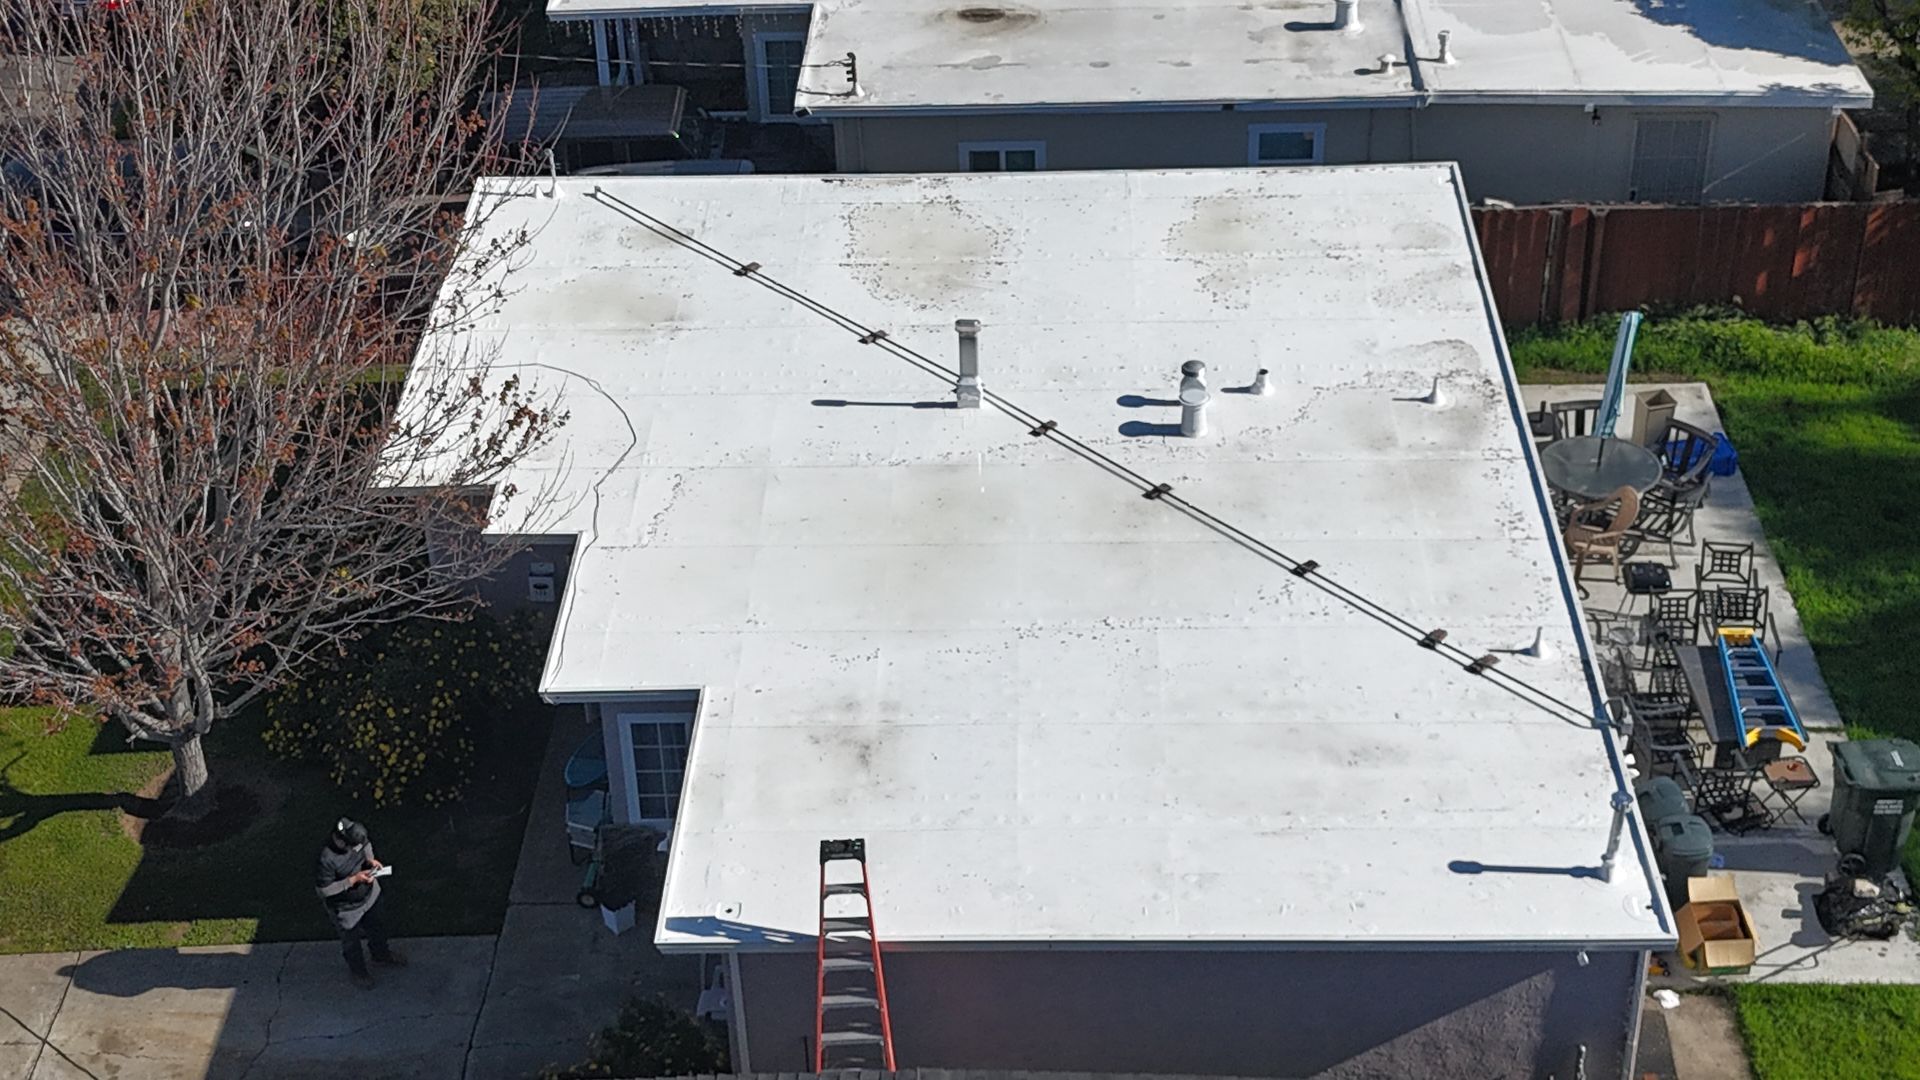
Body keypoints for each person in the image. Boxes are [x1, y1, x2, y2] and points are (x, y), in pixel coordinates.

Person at [315, 817, 406, 988]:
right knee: (351, 942)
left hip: (370, 896)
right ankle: (359, 972)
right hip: (346, 908)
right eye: (352, 845)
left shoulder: (356, 838)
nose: (355, 848)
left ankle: (381, 955)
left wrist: (371, 860)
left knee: (377, 928)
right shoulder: (326, 858)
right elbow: (324, 890)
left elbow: (366, 844)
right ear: (341, 840)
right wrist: (353, 880)